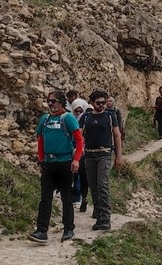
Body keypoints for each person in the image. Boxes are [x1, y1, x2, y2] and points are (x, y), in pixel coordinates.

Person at [29, 92, 83, 244]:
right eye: (48, 101)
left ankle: (68, 228)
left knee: (67, 197)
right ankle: (41, 231)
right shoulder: (45, 119)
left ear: (61, 103)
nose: (50, 104)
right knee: (45, 198)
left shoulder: (68, 118)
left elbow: (79, 140)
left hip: (65, 163)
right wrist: (40, 160)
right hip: (48, 163)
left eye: (53, 101)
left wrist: (76, 160)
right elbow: (40, 140)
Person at [79, 90, 122, 231]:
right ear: (92, 103)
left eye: (104, 103)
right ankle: (98, 215)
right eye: (98, 103)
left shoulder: (110, 116)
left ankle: (105, 218)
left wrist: (118, 156)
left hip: (104, 154)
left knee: (102, 185)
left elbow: (117, 135)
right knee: (93, 186)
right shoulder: (86, 117)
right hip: (89, 155)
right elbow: (79, 136)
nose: (102, 105)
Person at [70, 100, 89, 208]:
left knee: (79, 175)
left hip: (82, 151)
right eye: (76, 111)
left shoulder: (85, 121)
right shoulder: (69, 119)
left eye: (80, 111)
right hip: (71, 149)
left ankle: (78, 197)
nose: (78, 113)